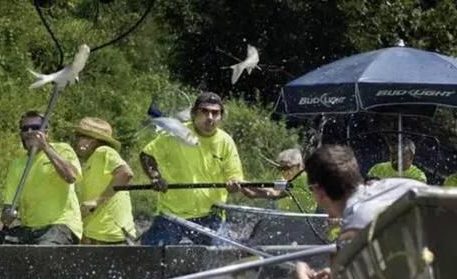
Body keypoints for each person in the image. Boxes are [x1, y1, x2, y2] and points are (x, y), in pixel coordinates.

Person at [293, 144, 426, 279]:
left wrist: (301, 278)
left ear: (319, 192)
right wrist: (338, 277)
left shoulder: (349, 237)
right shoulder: (405, 185)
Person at [139, 91, 245, 246]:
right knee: (152, 259)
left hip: (210, 215)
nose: (210, 117)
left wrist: (234, 184)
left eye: (215, 113)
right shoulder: (176, 133)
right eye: (204, 111)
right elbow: (146, 155)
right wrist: (155, 176)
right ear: (194, 113)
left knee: (222, 258)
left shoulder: (226, 141)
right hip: (171, 214)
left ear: (221, 117)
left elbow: (234, 176)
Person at [0, 110, 82, 245]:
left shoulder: (62, 149)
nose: (30, 132)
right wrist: (7, 215)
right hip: (29, 228)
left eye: (36, 128)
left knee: (41, 253)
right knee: (1, 253)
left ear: (46, 133)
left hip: (60, 225)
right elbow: (8, 205)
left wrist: (46, 148)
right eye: (25, 128)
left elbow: (71, 176)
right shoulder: (16, 164)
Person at [73, 117, 137, 244]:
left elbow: (125, 173)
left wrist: (97, 201)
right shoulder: (90, 162)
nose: (76, 141)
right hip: (96, 235)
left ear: (91, 141)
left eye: (79, 136)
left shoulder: (104, 151)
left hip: (111, 235)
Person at [247, 148, 317, 213]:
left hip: (301, 220)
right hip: (284, 217)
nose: (283, 172)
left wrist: (247, 185)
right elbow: (269, 190)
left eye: (286, 168)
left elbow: (275, 193)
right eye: (280, 168)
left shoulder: (303, 179)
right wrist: (244, 187)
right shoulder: (288, 179)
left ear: (298, 166)